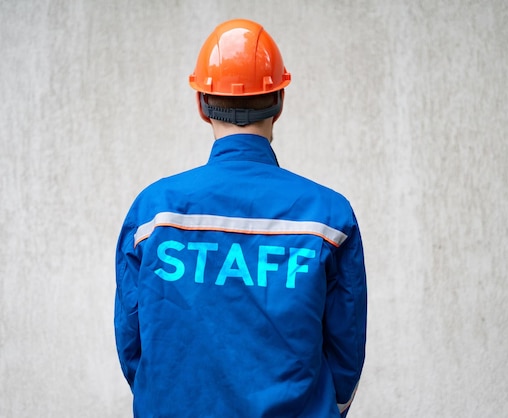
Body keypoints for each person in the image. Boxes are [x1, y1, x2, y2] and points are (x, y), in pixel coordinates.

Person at [114, 18, 367, 418]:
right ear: (279, 101)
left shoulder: (153, 213)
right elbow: (346, 353)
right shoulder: (329, 216)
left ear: (201, 104)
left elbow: (133, 345)